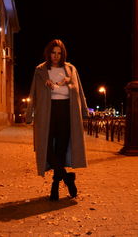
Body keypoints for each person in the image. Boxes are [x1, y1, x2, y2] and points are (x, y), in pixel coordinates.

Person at [26, 39, 89, 201]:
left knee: (60, 150)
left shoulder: (70, 69)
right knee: (46, 149)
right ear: (48, 53)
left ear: (63, 54)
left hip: (65, 112)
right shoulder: (40, 70)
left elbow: (78, 90)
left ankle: (55, 188)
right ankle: (68, 178)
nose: (56, 56)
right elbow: (33, 93)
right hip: (46, 113)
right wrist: (29, 114)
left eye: (59, 53)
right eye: (53, 52)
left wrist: (83, 109)